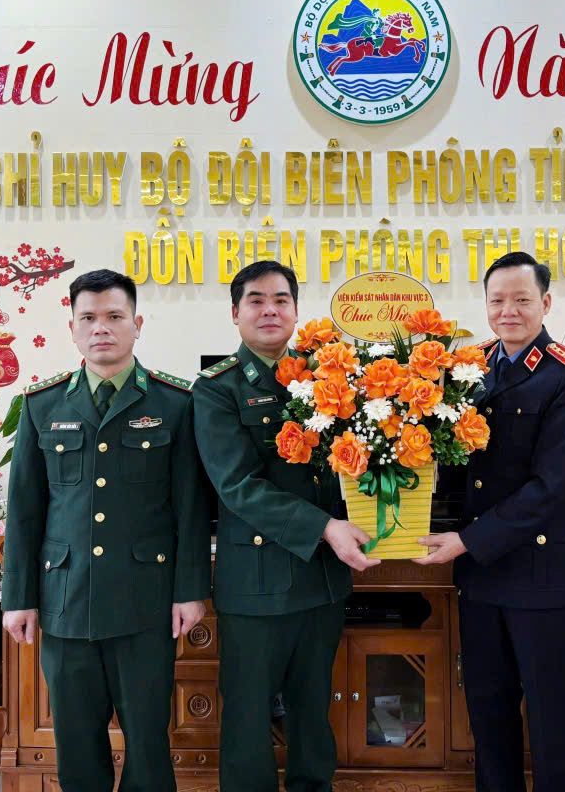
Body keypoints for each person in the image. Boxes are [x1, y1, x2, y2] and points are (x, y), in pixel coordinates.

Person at [1, 269, 212, 792]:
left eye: (115, 316)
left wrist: (190, 590)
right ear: (72, 328)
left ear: (137, 325)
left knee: (147, 740)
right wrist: (18, 598)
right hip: (66, 600)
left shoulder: (175, 403)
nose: (102, 328)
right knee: (75, 742)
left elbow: (190, 507)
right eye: (89, 318)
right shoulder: (42, 404)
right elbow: (24, 510)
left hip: (146, 602)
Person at [192, 259, 380, 792]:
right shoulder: (217, 389)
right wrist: (326, 527)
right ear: (235, 313)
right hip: (256, 583)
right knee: (249, 718)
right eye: (256, 300)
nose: (269, 310)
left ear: (296, 311)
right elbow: (237, 486)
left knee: (312, 714)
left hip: (322, 579)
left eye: (281, 300)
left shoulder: (329, 375)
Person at [415, 251, 565, 792]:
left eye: (521, 299)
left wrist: (468, 539)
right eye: (497, 300)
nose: (508, 311)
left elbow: (551, 486)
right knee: (488, 713)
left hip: (543, 575)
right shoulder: (469, 367)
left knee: (551, 718)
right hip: (482, 576)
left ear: (546, 302)